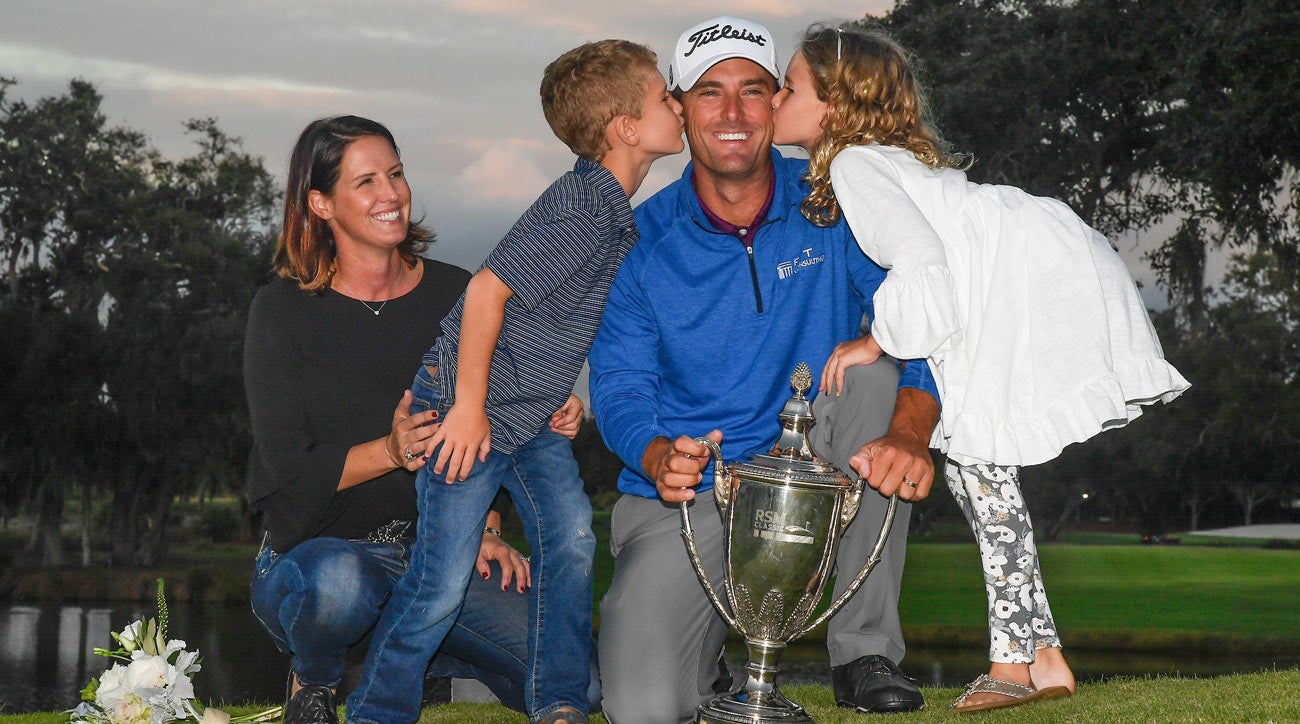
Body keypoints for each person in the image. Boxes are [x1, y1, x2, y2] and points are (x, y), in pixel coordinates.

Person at [770, 24, 1190, 712]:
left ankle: (1010, 665)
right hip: (1008, 272)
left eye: (791, 87)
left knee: (982, 473)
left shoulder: (852, 166)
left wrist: (878, 340)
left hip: (1004, 284)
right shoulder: (876, 162)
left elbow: (922, 259)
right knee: (978, 476)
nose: (778, 99)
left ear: (837, 108)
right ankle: (1046, 655)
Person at [587, 16, 943, 722]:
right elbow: (621, 390)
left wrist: (911, 430)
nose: (732, 113)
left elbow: (926, 317)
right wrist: (658, 455)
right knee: (642, 711)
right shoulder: (637, 242)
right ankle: (710, 659)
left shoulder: (837, 200)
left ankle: (864, 652)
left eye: (753, 91)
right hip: (693, 489)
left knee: (876, 377)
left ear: (778, 102)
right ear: (680, 109)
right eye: (710, 93)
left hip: (812, 465)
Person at [344, 40, 685, 724]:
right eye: (664, 98)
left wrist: (558, 387)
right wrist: (467, 408)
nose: (678, 106)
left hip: (525, 415)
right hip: (465, 411)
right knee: (440, 581)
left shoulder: (609, 208)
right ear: (624, 128)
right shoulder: (585, 205)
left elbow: (548, 313)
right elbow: (486, 292)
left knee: (570, 542)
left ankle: (558, 701)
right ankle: (376, 711)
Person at [244, 115, 585, 724]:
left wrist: (543, 414)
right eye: (366, 181)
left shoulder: (460, 295)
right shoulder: (281, 312)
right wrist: (392, 451)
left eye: (395, 174)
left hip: (438, 558)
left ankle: (426, 660)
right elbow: (285, 478)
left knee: (577, 675)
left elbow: (493, 424)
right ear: (321, 204)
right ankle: (317, 680)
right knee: (341, 586)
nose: (392, 194)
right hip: (315, 561)